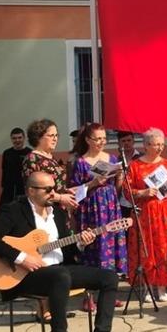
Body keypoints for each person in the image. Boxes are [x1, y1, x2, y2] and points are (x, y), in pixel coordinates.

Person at [0, 171, 119, 332]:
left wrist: (80, 243)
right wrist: (22, 257)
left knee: (109, 277)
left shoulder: (58, 213)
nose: (53, 194)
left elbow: (66, 251)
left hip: (60, 270)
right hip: (26, 275)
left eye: (54, 189)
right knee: (60, 276)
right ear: (31, 191)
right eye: (47, 190)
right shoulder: (15, 210)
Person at [68, 123, 128, 311]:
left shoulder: (111, 158)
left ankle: (109, 294)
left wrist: (119, 177)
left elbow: (117, 189)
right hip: (91, 210)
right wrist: (93, 183)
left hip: (110, 208)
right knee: (92, 250)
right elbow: (74, 192)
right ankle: (89, 297)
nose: (101, 142)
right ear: (87, 140)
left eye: (104, 139)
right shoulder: (80, 162)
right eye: (97, 139)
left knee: (111, 249)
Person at [126, 128, 167, 302]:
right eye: (156, 144)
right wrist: (143, 193)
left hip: (164, 210)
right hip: (144, 212)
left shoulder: (166, 164)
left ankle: (162, 287)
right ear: (146, 145)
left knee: (164, 247)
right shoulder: (135, 165)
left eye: (162, 144)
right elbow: (127, 192)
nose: (160, 148)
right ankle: (148, 287)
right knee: (146, 248)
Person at [22, 119, 77, 211]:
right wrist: (60, 198)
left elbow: (57, 184)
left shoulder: (50, 157)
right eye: (51, 135)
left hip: (59, 211)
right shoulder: (32, 159)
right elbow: (37, 191)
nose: (55, 139)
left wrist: (65, 191)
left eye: (56, 135)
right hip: (44, 211)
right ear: (38, 137)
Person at [0, 127, 33, 212]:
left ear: (24, 138)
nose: (17, 140)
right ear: (11, 139)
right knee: (4, 212)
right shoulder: (7, 153)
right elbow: (4, 170)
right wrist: (3, 186)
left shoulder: (30, 153)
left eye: (19, 138)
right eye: (14, 138)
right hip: (9, 189)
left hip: (25, 188)